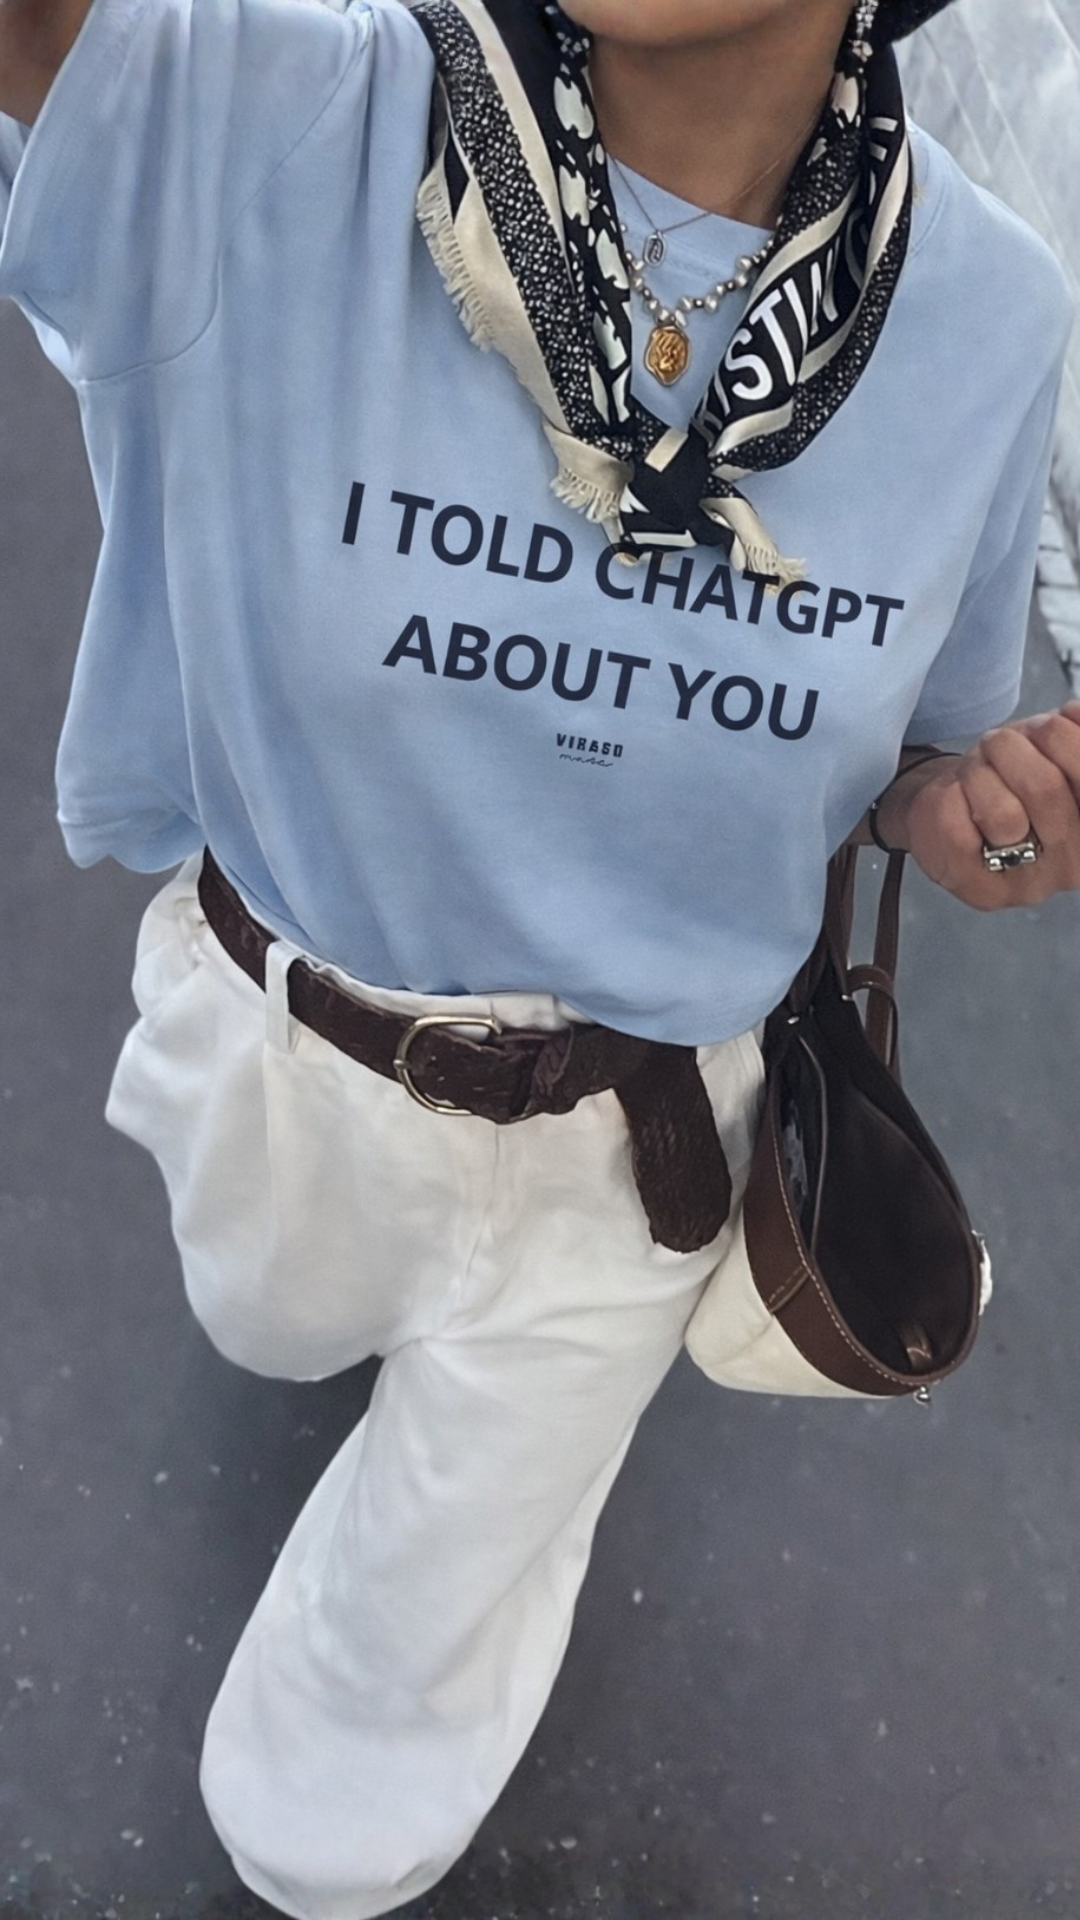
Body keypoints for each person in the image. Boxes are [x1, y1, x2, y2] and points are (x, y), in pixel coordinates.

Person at [2, 0, 1079, 1913]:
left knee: (426, 1607)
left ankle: (324, 1840)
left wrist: (970, 812)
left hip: (637, 1144)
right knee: (268, 1323)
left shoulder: (987, 315)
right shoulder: (264, 109)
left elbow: (922, 746)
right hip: (286, 1068)